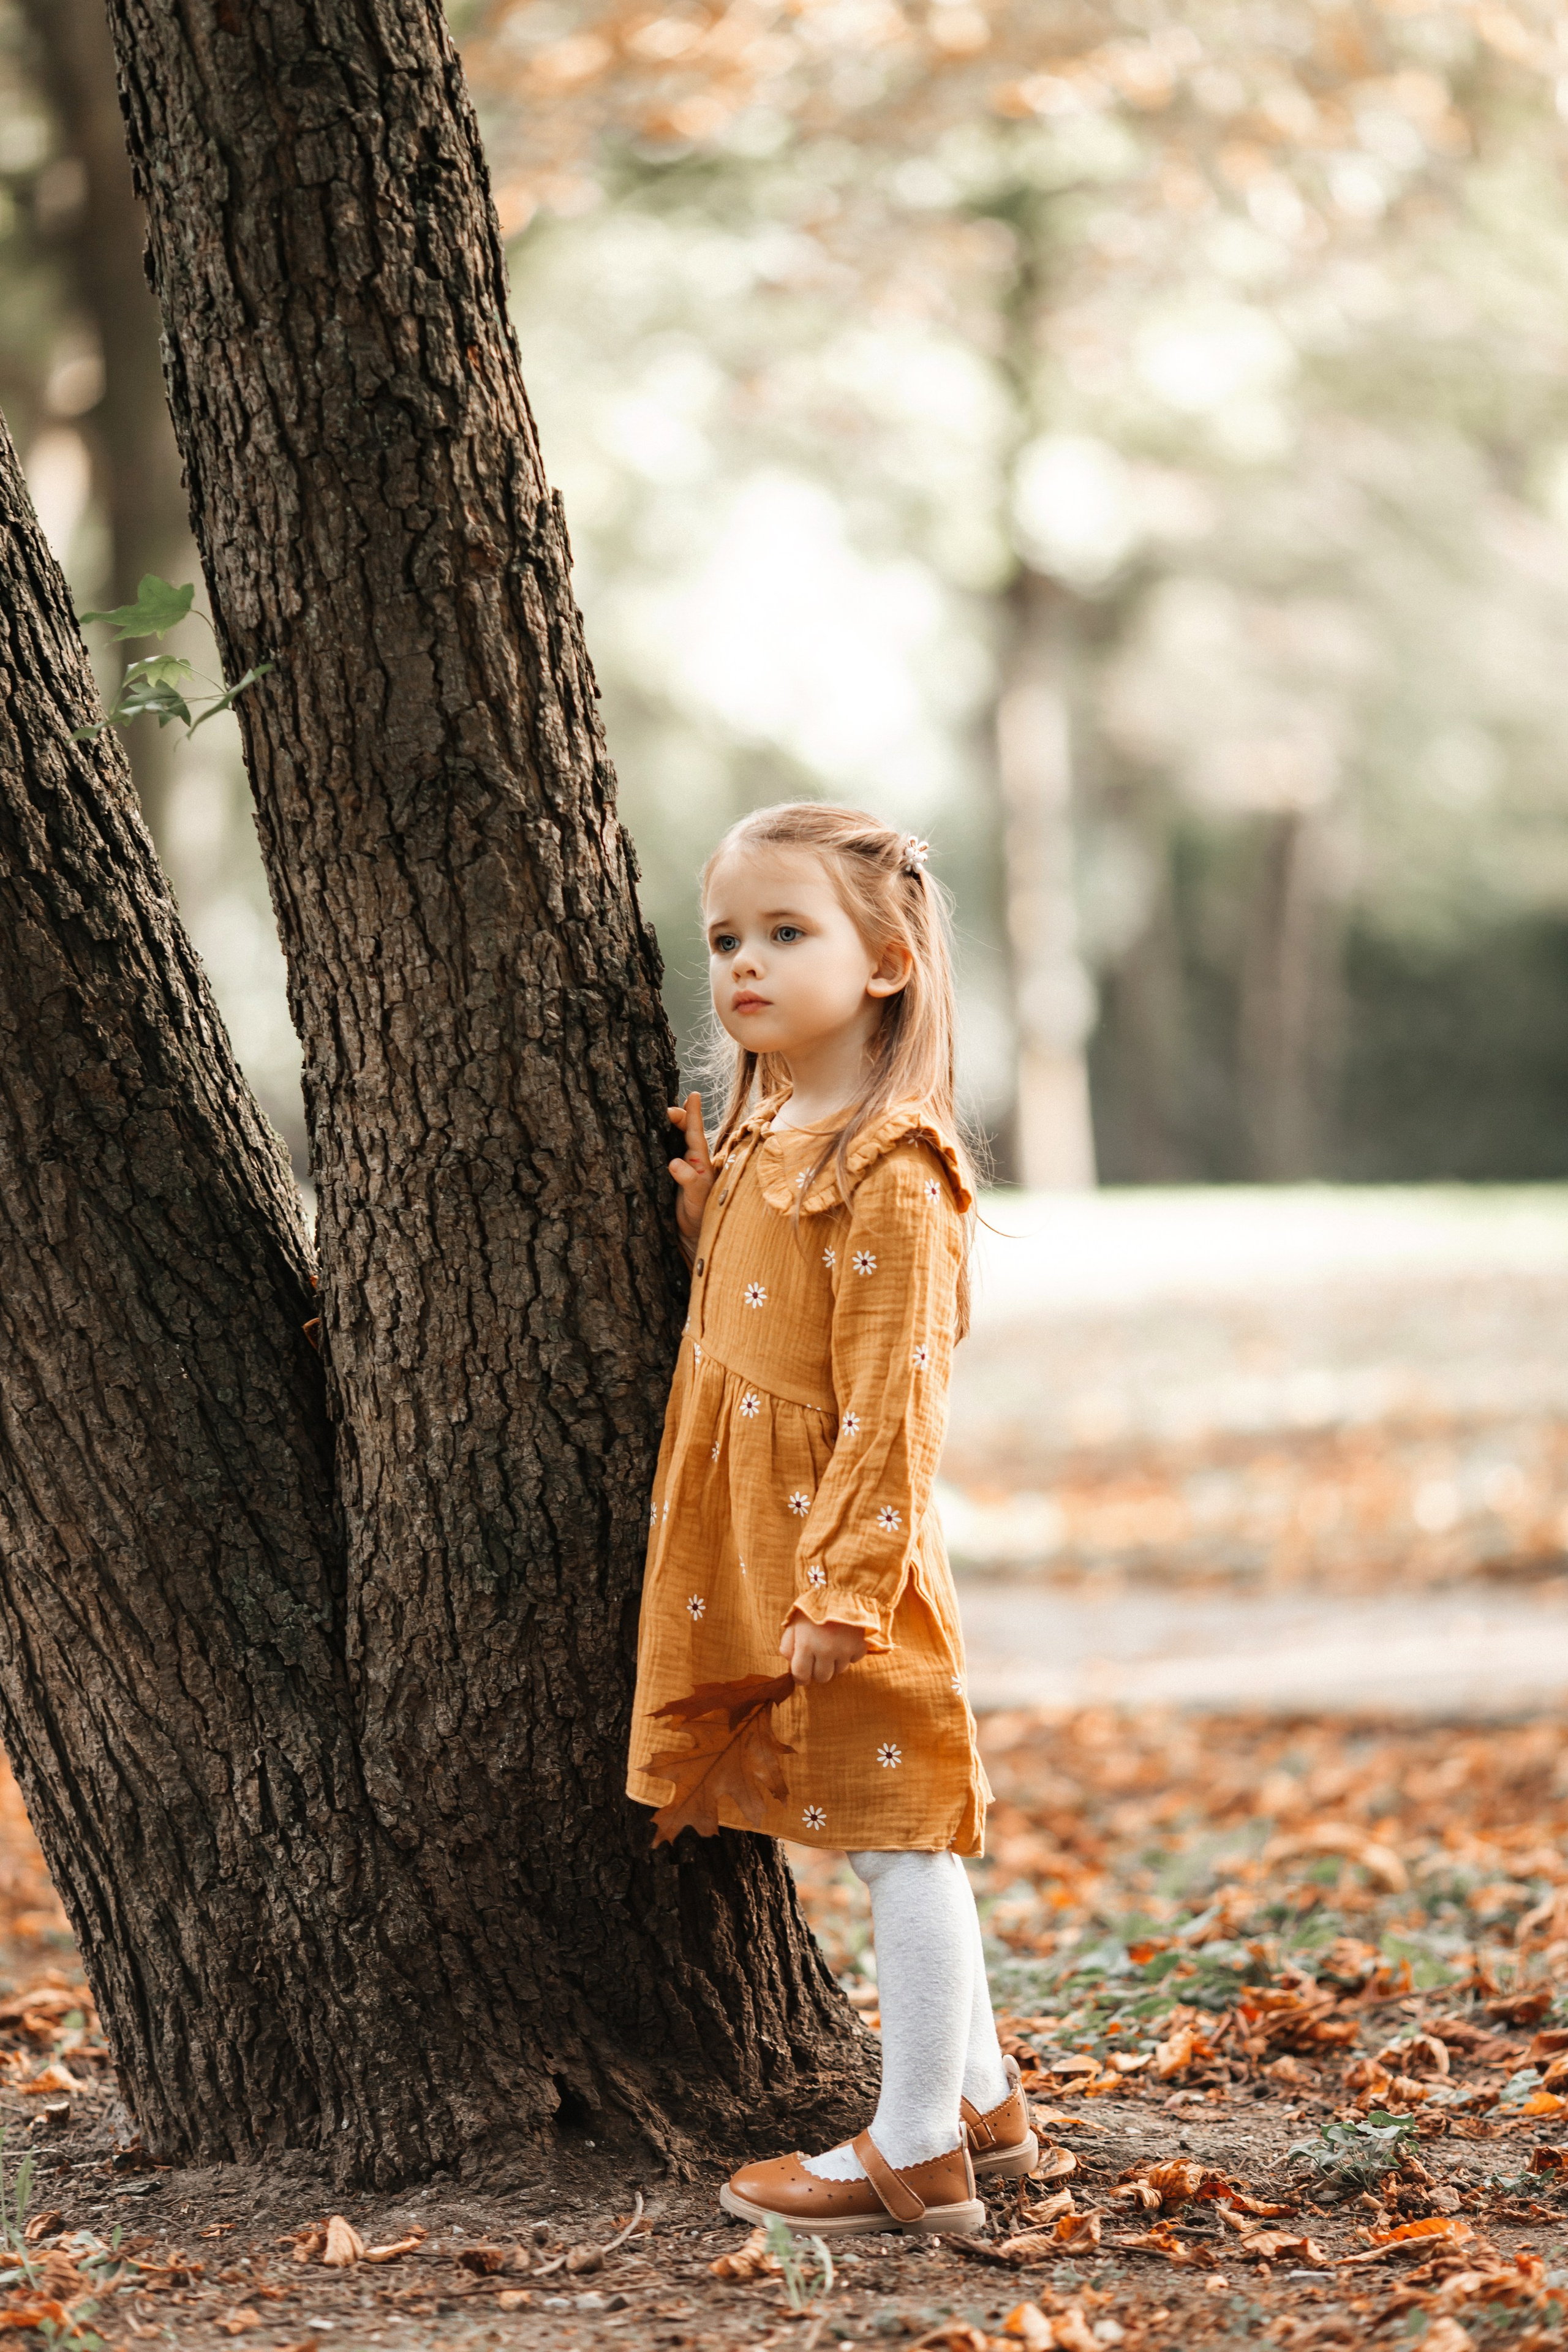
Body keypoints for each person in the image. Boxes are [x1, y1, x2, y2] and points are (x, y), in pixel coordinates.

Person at [626, 802, 1036, 2237]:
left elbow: (891, 1401)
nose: (739, 963)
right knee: (882, 1830)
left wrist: (847, 1589)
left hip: (842, 1560)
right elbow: (758, 1322)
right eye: (724, 936)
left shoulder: (893, 1167)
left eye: (783, 932)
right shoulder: (767, 1131)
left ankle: (915, 2149)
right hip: (757, 1534)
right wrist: (698, 1228)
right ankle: (983, 2097)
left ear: (884, 961)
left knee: (898, 1834)